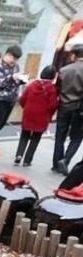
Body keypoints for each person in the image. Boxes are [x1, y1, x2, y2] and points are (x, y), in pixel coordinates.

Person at [14, 65, 58, 167]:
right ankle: (27, 160)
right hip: (42, 116)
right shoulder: (52, 89)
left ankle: (19, 155)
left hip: (29, 114)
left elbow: (22, 99)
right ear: (52, 76)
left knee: (24, 135)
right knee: (35, 138)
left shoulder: (32, 85)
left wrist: (27, 108)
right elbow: (52, 105)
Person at [53, 44, 83, 175]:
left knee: (60, 135)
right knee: (77, 137)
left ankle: (56, 163)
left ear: (73, 55)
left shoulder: (63, 70)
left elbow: (57, 88)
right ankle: (65, 160)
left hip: (64, 106)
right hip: (79, 108)